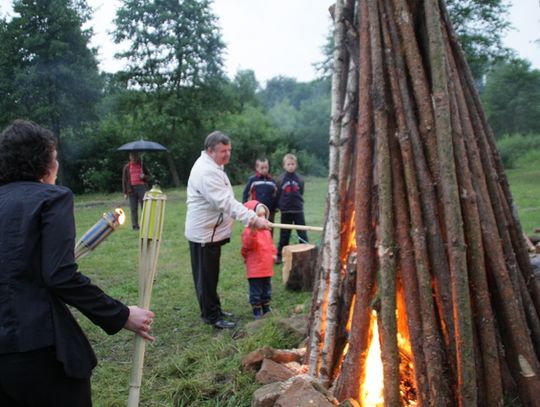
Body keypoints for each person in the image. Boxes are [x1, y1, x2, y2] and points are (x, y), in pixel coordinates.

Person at [0, 120, 155, 406]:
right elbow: (60, 276)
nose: (57, 166)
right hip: (36, 347)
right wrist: (121, 315)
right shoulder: (52, 197)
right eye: (55, 158)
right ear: (44, 164)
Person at [185, 130, 270, 330]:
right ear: (210, 150)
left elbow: (228, 200)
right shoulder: (206, 172)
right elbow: (225, 203)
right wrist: (253, 220)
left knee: (211, 275)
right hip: (204, 235)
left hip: (210, 233)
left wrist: (252, 212)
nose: (227, 155)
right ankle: (211, 316)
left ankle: (215, 309)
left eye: (229, 150)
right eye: (223, 151)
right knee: (206, 277)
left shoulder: (214, 165)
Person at [241, 201, 277, 319]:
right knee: (256, 291)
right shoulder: (248, 232)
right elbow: (248, 245)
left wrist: (273, 253)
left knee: (267, 289)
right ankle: (257, 309)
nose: (262, 218)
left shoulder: (266, 231)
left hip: (267, 266)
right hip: (255, 269)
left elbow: (270, 245)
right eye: (259, 215)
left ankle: (266, 306)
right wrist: (253, 230)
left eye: (263, 215)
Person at [275, 153, 308, 264]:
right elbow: (278, 194)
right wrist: (280, 206)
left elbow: (301, 192)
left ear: (296, 165)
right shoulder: (280, 179)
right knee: (284, 235)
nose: (291, 166)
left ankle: (306, 254)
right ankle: (280, 255)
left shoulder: (300, 179)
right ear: (284, 166)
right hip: (286, 211)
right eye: (288, 164)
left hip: (298, 210)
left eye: (293, 164)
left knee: (302, 233)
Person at [242, 158, 278, 225]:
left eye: (266, 167)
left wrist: (276, 206)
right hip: (257, 210)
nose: (264, 170)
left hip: (270, 210)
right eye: (262, 168)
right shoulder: (253, 180)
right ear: (257, 168)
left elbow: (276, 195)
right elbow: (246, 193)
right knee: (257, 230)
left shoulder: (272, 181)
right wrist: (245, 205)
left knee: (269, 228)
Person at [122, 152, 151, 230]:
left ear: (138, 157)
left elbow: (149, 177)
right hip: (131, 189)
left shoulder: (141, 165)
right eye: (132, 156)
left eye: (135, 156)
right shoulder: (127, 167)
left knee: (144, 207)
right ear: (130, 157)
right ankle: (135, 226)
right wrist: (125, 193)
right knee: (133, 208)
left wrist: (144, 176)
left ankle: (145, 225)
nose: (134, 157)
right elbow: (124, 180)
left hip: (142, 188)